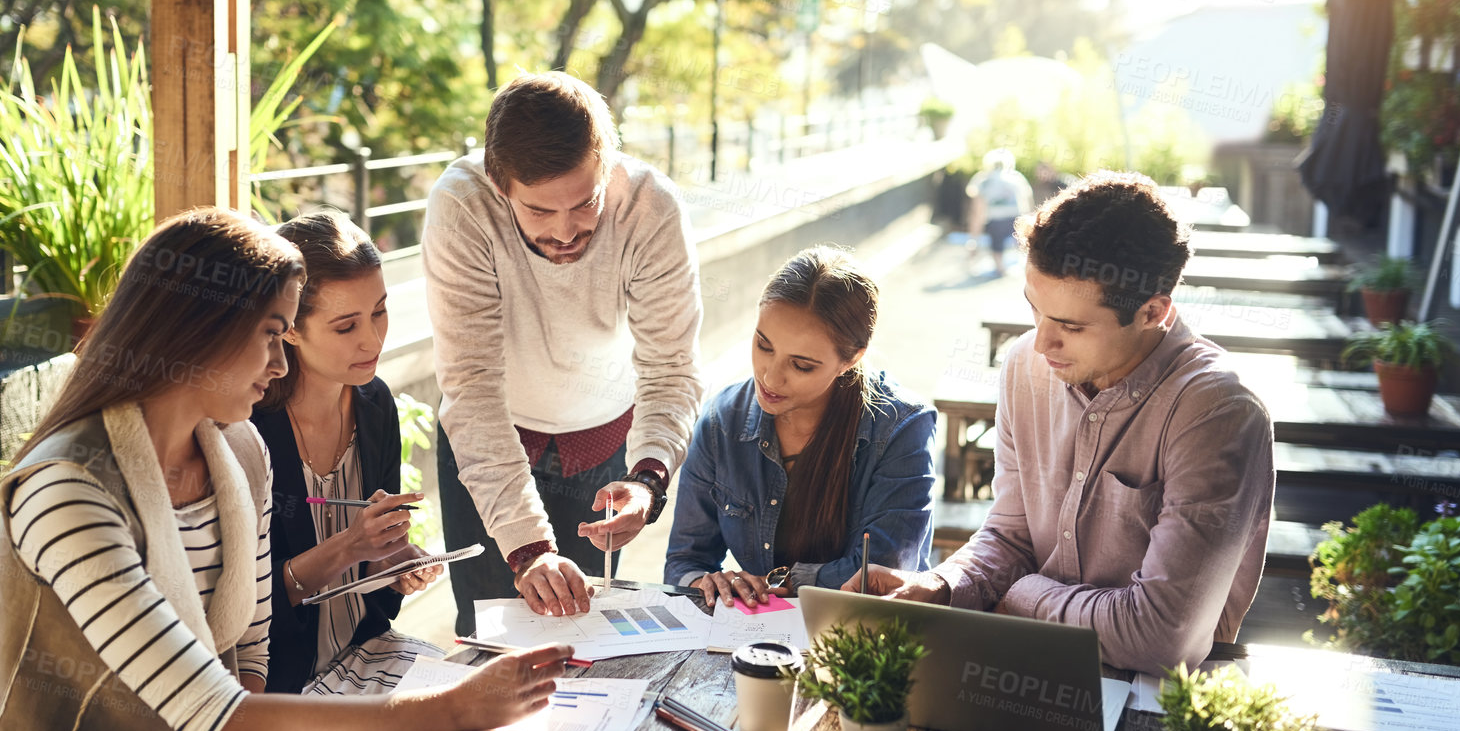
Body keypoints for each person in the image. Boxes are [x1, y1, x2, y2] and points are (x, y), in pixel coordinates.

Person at [0, 208, 568, 731]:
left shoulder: (239, 451)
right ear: (197, 327)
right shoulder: (68, 487)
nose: (278, 364)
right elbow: (220, 715)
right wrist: (456, 706)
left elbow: (247, 661)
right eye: (271, 334)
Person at [845, 173, 1276, 674]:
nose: (1042, 343)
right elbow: (1012, 535)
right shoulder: (1025, 366)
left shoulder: (1218, 412)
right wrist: (943, 586)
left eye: (1071, 327)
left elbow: (1160, 637)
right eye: (1035, 310)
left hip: (1154, 704)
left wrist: (1021, 595)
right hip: (1023, 665)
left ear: (1153, 312)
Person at [423, 71, 704, 636]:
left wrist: (648, 477)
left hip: (604, 445)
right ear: (501, 188)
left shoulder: (653, 209)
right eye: (539, 212)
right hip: (487, 445)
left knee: (585, 635)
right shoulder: (462, 205)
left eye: (584, 204)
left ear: (607, 168)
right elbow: (472, 387)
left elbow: (670, 367)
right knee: (486, 637)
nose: (566, 231)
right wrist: (527, 549)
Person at [242, 211, 448, 731]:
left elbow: (373, 592)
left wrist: (391, 560)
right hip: (279, 690)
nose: (373, 339)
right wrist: (347, 548)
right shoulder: (251, 426)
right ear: (290, 330)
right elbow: (249, 607)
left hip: (363, 653)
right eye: (346, 326)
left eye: (380, 311)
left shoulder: (376, 404)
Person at [665, 246, 936, 607]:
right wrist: (708, 581)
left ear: (852, 357)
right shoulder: (721, 421)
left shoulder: (902, 429)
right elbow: (684, 562)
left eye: (802, 365)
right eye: (763, 345)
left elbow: (879, 576)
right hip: (754, 633)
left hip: (860, 636)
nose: (770, 376)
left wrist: (778, 581)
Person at [966, 148, 1036, 276]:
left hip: (995, 220)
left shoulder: (983, 180)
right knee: (1021, 245)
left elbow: (977, 211)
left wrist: (974, 239)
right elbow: (1028, 204)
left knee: (996, 246)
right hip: (1016, 218)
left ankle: (1000, 268)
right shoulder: (1017, 178)